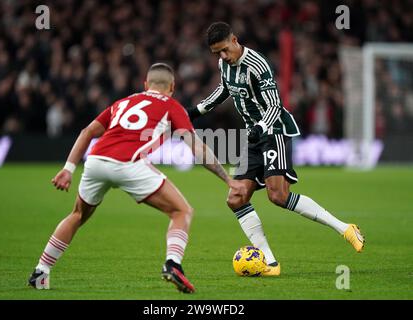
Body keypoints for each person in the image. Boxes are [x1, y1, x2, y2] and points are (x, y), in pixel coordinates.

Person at [28, 63, 243, 293]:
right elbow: (197, 149)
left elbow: (87, 132)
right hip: (129, 163)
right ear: (172, 86)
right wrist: (228, 180)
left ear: (145, 84)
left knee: (77, 215)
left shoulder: (123, 102)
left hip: (96, 161)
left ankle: (41, 271)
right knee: (182, 211)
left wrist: (68, 168)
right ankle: (173, 263)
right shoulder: (172, 106)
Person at [188, 22, 365, 276]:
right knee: (236, 198)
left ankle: (345, 228)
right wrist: (197, 111)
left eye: (225, 50)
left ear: (235, 40)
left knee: (278, 196)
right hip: (253, 137)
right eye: (217, 53)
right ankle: (270, 263)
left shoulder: (258, 65)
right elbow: (225, 89)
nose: (223, 56)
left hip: (273, 132)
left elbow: (274, 105)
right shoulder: (224, 64)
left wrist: (260, 128)